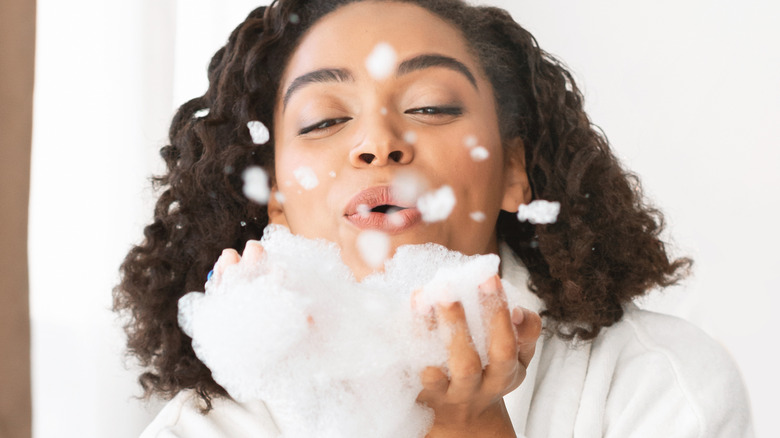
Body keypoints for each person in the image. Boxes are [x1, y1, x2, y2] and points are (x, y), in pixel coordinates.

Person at [115, 0, 754, 436]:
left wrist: (473, 430)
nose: (377, 141)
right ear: (274, 196)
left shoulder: (659, 383)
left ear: (512, 171)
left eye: (430, 107)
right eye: (325, 121)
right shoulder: (209, 423)